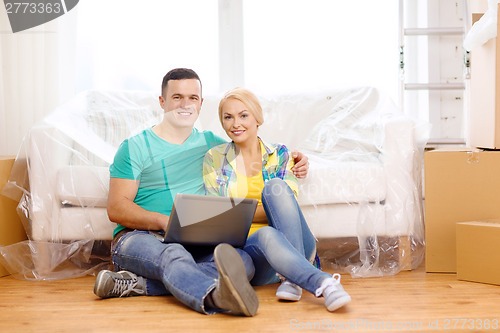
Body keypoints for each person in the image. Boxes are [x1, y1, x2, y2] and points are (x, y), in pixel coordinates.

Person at [93, 68, 310, 316]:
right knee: (173, 254)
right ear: (162, 102)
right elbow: (117, 207)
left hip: (194, 240)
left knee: (243, 263)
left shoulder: (212, 145)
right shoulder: (134, 147)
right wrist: (163, 221)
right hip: (140, 237)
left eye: (193, 98)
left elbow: (252, 144)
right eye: (177, 97)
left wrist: (296, 160)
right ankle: (215, 296)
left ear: (201, 103)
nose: (185, 104)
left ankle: (137, 285)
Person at [203, 87, 351, 312]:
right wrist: (260, 212)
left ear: (257, 119)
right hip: (254, 252)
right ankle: (321, 282)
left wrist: (238, 212)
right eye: (228, 117)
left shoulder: (280, 154)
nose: (236, 124)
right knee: (266, 233)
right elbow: (217, 214)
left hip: (296, 243)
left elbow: (285, 207)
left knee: (275, 188)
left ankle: (293, 278)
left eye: (243, 115)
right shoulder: (214, 158)